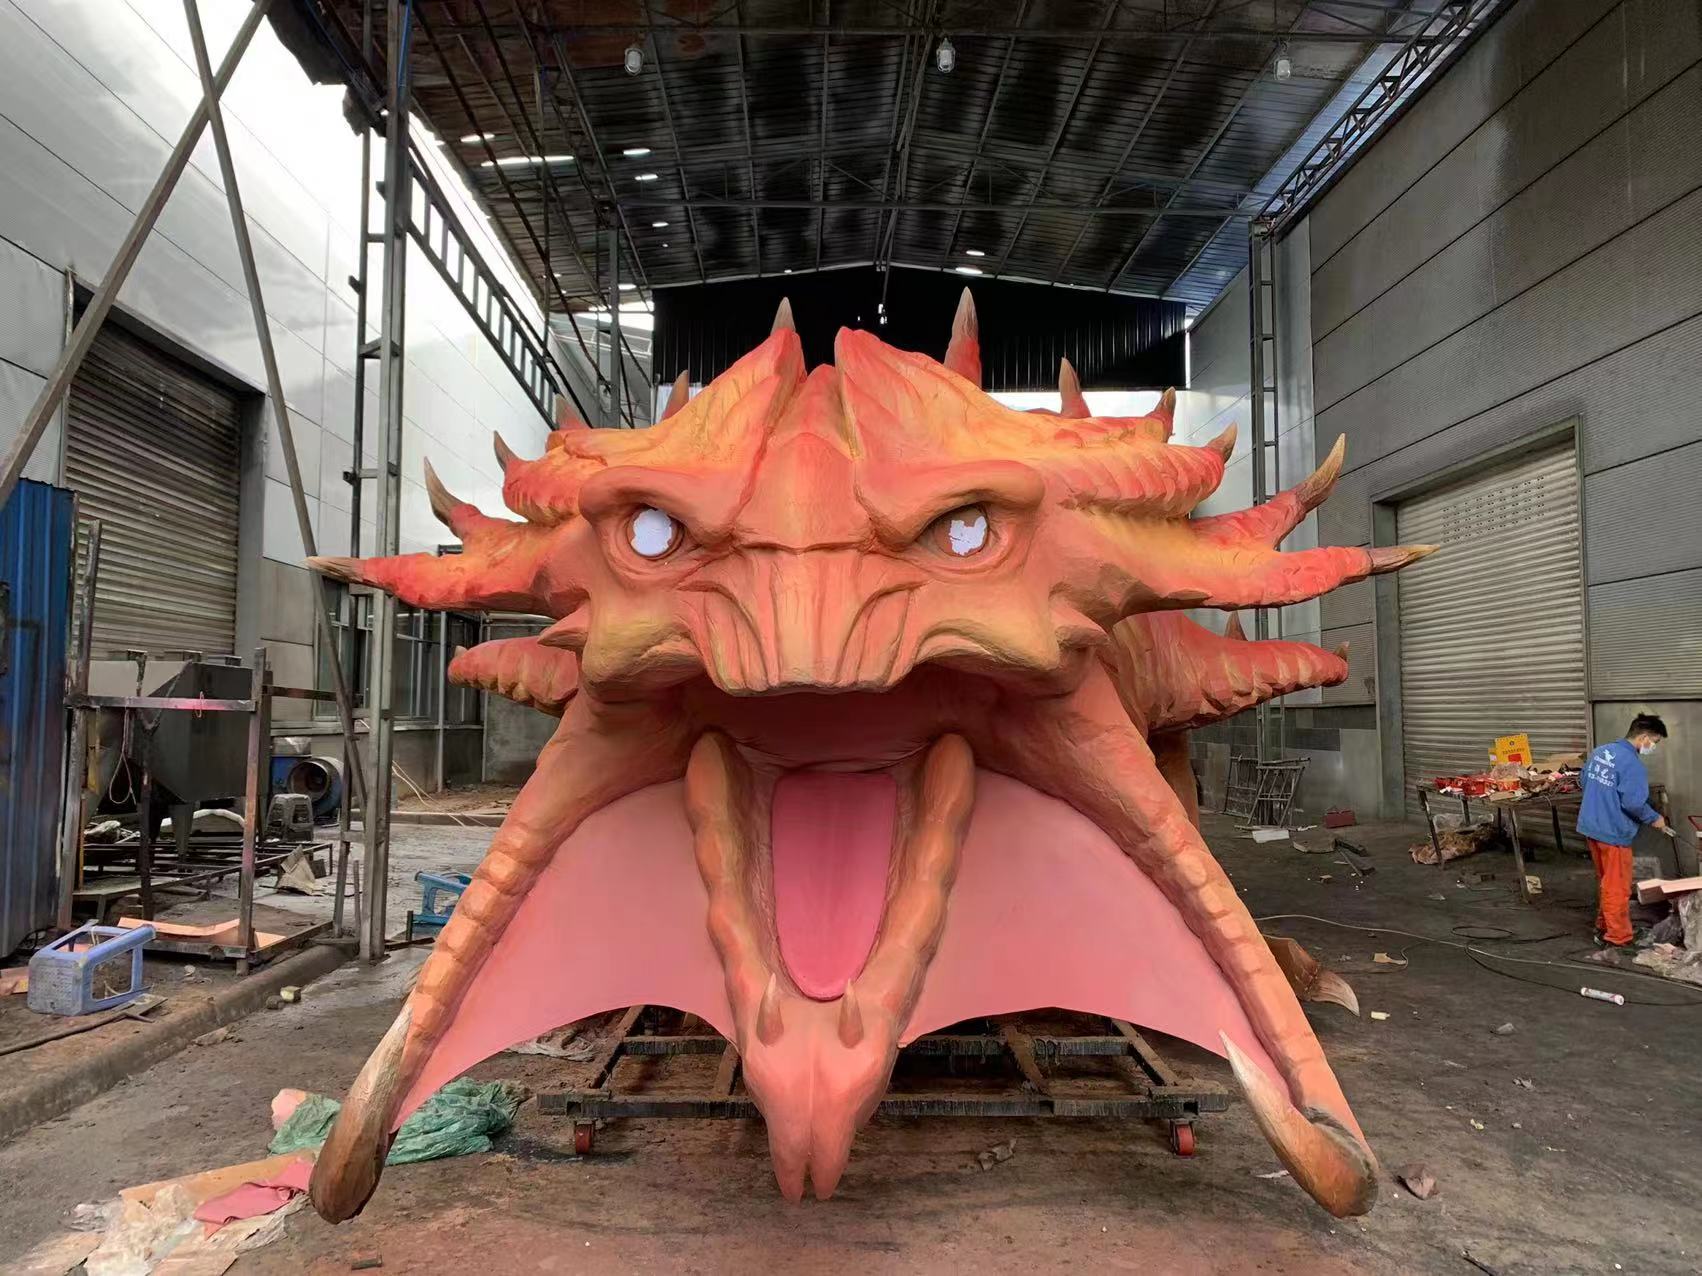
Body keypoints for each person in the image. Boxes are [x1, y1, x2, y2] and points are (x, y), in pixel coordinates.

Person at [1576, 714, 1670, 947]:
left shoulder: (1600, 752)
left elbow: (1583, 780)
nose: (1653, 747)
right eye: (1655, 742)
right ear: (1644, 737)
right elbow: (1633, 803)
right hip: (1613, 833)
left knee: (1606, 881)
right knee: (1617, 887)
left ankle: (1604, 925)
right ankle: (1618, 937)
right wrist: (1654, 818)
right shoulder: (1633, 764)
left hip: (1592, 827)